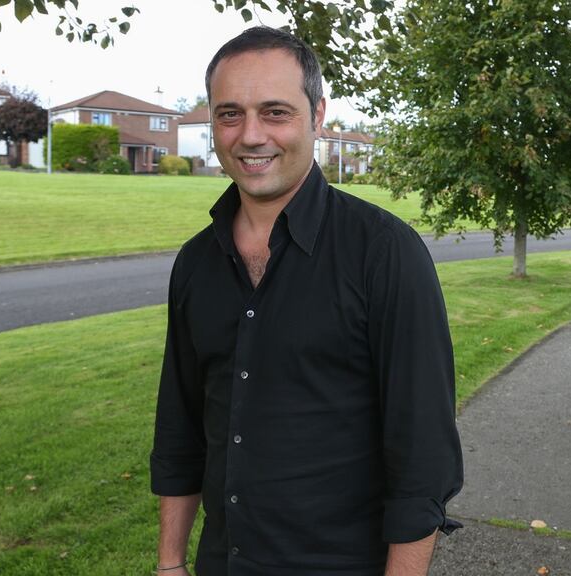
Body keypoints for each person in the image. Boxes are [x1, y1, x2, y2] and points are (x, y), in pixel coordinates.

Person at [150, 27, 463, 576]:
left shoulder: (385, 254)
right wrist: (170, 564)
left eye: (275, 112)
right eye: (229, 114)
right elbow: (180, 430)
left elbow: (422, 459)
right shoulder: (196, 263)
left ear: (317, 116)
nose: (250, 136)